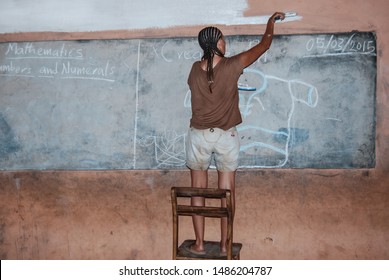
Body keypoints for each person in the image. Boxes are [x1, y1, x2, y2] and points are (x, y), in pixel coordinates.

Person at [185, 12, 286, 255]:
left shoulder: (193, 69)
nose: (225, 42)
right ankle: (224, 244)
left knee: (197, 191)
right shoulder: (232, 66)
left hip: (198, 136)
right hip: (225, 136)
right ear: (216, 44)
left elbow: (205, 80)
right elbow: (264, 45)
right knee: (226, 193)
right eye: (222, 40)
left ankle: (198, 244)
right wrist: (270, 23)